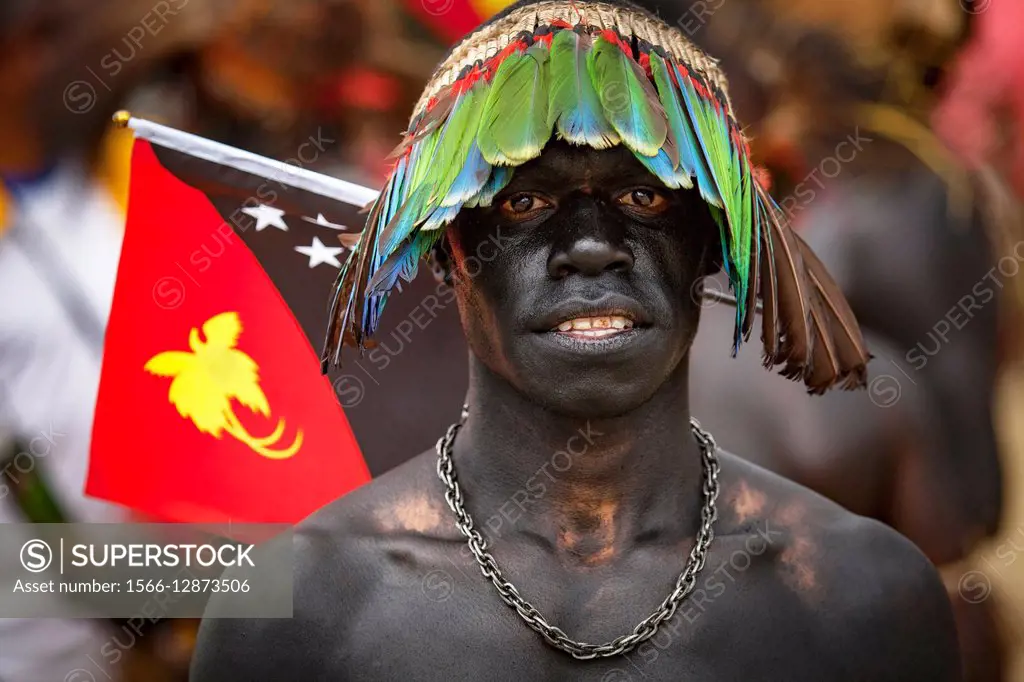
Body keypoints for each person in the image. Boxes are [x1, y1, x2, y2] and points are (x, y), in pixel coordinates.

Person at [191, 2, 960, 679]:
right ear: (447, 251)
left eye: (642, 194)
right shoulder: (299, 609)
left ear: (710, 243)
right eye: (524, 199)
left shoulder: (858, 593)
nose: (592, 245)